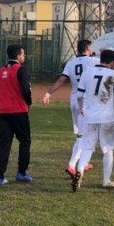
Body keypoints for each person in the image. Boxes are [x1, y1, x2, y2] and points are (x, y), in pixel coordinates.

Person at [41, 39, 97, 178]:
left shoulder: (71, 63)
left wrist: (48, 93)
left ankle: (82, 162)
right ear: (87, 48)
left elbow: (61, 80)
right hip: (86, 102)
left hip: (74, 101)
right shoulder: (94, 61)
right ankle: (74, 164)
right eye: (91, 47)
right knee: (86, 136)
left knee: (82, 134)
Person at [73, 49, 114, 191]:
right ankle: (106, 180)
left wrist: (82, 108)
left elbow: (80, 95)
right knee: (108, 149)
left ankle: (79, 171)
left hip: (90, 116)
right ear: (112, 62)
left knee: (87, 147)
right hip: (107, 117)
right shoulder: (113, 74)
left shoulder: (87, 73)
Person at [0, 44, 33, 186]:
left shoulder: (0, 71)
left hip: (3, 112)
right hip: (19, 111)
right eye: (23, 54)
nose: (24, 57)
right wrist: (28, 103)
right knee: (25, 141)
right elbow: (25, 90)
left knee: (4, 143)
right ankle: (21, 172)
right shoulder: (21, 70)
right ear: (17, 56)